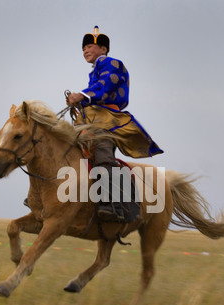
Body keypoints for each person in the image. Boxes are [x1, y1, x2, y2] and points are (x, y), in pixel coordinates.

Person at [67, 26, 164, 223]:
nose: (85, 50)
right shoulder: (95, 70)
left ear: (103, 49)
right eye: (83, 48)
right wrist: (79, 101)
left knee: (103, 154)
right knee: (62, 146)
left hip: (107, 120)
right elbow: (95, 91)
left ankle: (115, 204)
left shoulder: (111, 63)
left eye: (90, 46)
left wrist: (82, 95)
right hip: (90, 120)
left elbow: (106, 86)